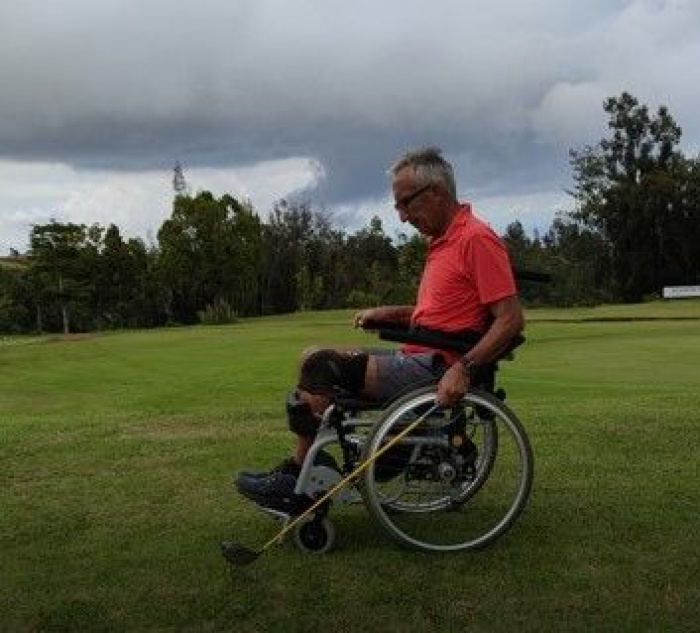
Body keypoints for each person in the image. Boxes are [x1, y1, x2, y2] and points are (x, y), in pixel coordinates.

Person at [235, 147, 524, 512]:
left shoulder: (476, 239)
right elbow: (437, 315)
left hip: (435, 366)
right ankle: (306, 471)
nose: (402, 217)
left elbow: (511, 318)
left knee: (321, 365)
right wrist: (389, 313)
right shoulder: (443, 241)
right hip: (420, 354)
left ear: (435, 193)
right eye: (398, 207)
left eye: (406, 204)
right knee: (310, 355)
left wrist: (464, 368)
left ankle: (299, 480)